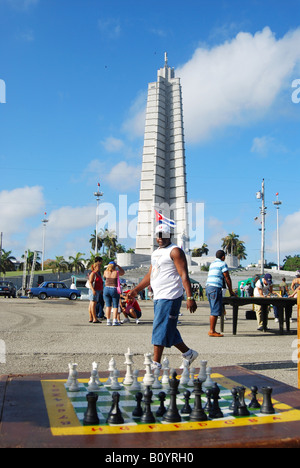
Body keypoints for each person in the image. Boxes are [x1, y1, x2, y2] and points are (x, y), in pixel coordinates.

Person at [128, 224, 198, 369]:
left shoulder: (175, 251)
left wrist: (190, 297)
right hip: (159, 296)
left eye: (163, 235)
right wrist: (135, 290)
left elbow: (184, 274)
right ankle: (188, 353)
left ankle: (156, 364)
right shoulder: (156, 253)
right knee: (168, 327)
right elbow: (150, 274)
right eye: (158, 235)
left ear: (169, 235)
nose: (159, 238)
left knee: (160, 326)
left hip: (171, 295)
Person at [206, 250, 236, 337]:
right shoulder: (222, 264)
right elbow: (227, 277)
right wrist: (231, 291)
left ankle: (212, 330)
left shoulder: (212, 264)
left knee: (213, 309)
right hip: (215, 287)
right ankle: (212, 331)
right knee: (215, 310)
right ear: (223, 257)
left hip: (208, 287)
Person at [103, 261, 125, 326]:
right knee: (115, 306)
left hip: (106, 288)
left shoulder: (105, 272)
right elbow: (123, 272)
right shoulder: (117, 272)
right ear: (115, 266)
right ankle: (115, 320)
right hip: (114, 289)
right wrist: (118, 266)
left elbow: (104, 277)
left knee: (108, 306)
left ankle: (108, 321)